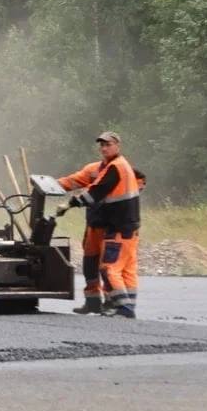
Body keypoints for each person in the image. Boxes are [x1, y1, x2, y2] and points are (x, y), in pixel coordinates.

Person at [57, 131, 141, 318]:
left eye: (108, 144)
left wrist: (69, 204)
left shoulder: (117, 168)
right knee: (99, 265)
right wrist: (50, 185)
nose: (104, 148)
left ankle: (122, 307)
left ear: (117, 146)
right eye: (102, 145)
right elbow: (74, 180)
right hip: (105, 224)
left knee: (109, 268)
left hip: (117, 226)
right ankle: (97, 302)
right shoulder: (99, 168)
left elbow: (95, 193)